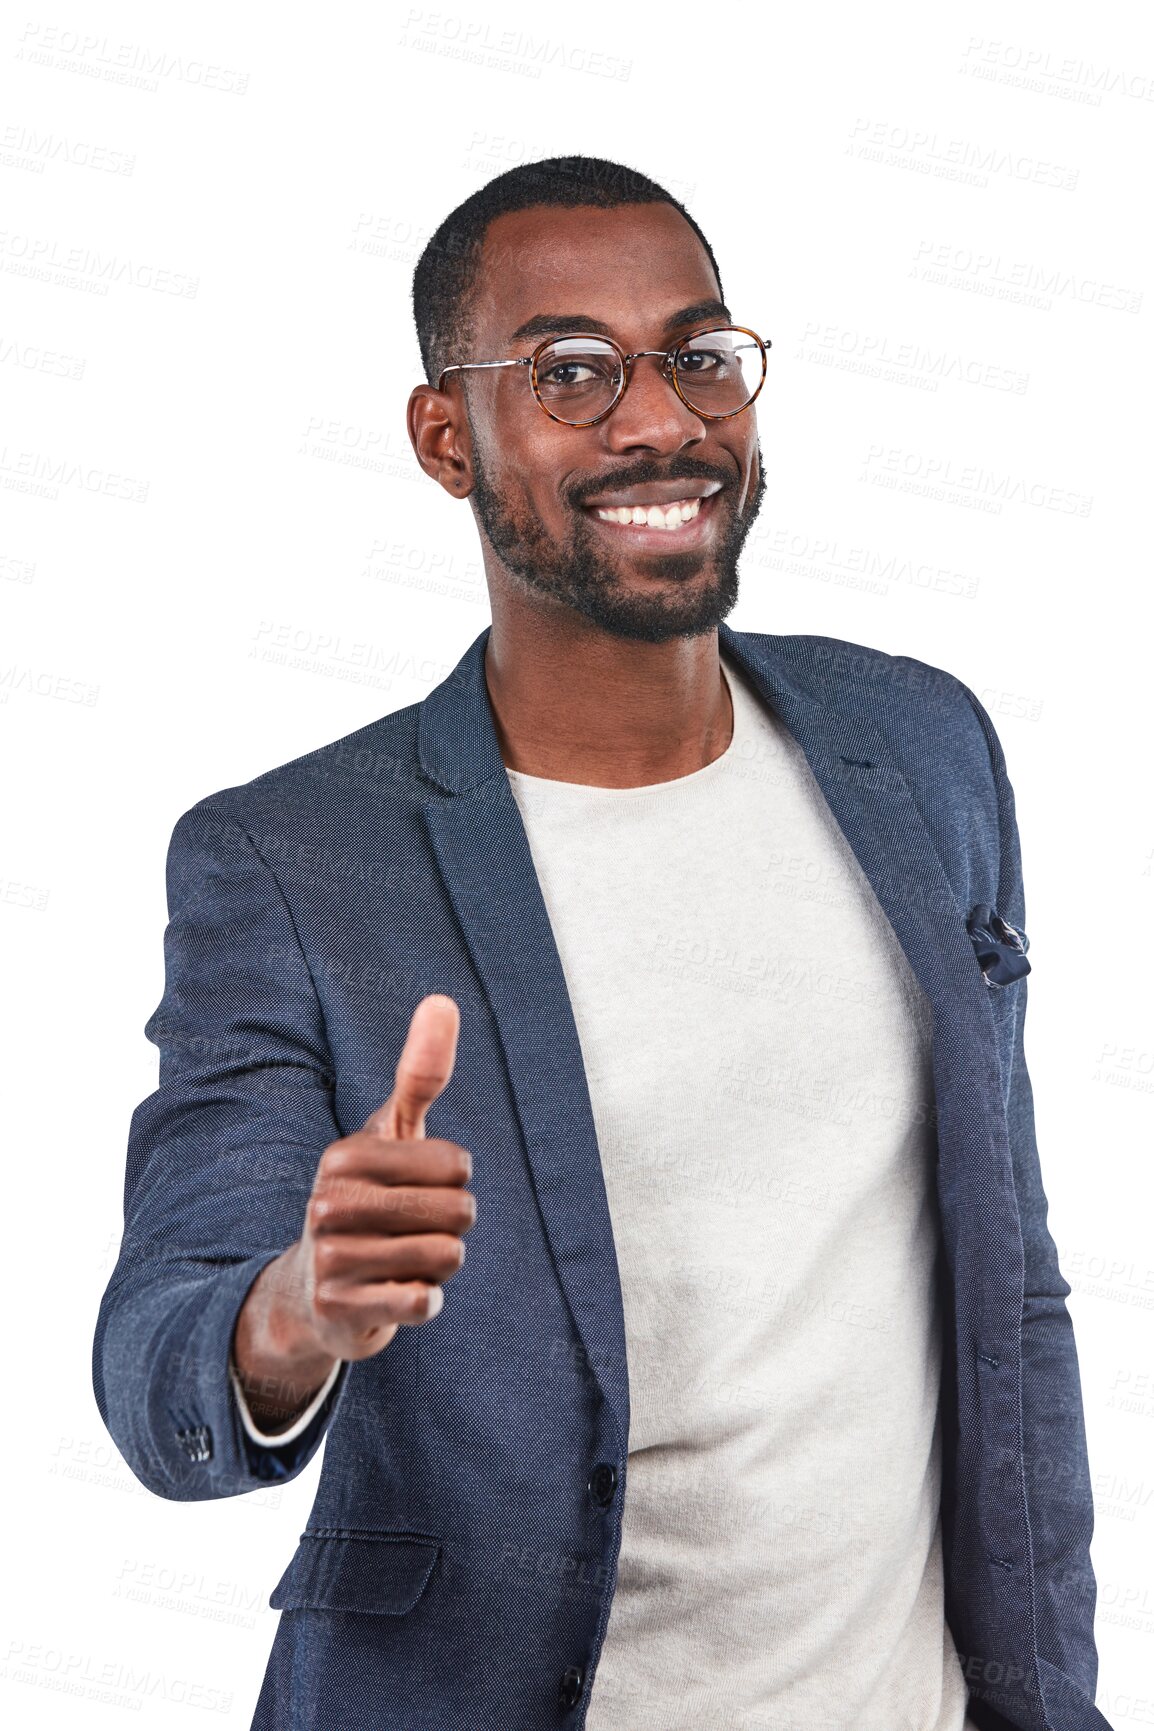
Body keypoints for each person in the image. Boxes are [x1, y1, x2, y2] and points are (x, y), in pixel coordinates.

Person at [93, 155, 1111, 1731]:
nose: (659, 421)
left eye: (698, 355)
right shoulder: (296, 861)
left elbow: (1012, 1286)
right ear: (448, 438)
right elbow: (160, 1360)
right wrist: (298, 1306)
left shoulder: (914, 746)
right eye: (569, 373)